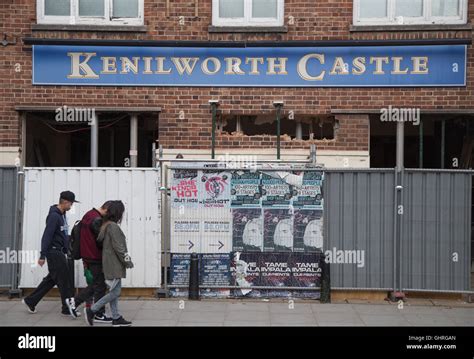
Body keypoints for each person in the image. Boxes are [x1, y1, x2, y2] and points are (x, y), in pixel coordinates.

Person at [22, 191, 79, 318]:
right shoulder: (54, 216)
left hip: (59, 251)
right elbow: (47, 236)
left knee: (52, 279)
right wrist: (43, 255)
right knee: (64, 281)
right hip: (54, 252)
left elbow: (62, 234)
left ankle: (31, 301)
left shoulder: (62, 215)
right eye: (71, 203)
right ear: (65, 202)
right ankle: (66, 308)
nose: (71, 206)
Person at [85, 201, 134, 327]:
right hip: (114, 264)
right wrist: (128, 261)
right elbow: (119, 248)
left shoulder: (106, 225)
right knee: (115, 292)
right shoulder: (113, 227)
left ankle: (116, 318)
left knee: (114, 291)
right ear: (118, 213)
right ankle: (92, 310)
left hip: (109, 263)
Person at [72, 201, 113, 324]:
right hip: (94, 256)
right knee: (100, 286)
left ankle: (75, 301)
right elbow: (100, 241)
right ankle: (98, 314)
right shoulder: (97, 219)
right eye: (109, 214)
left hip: (88, 255)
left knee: (97, 284)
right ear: (106, 209)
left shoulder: (89, 214)